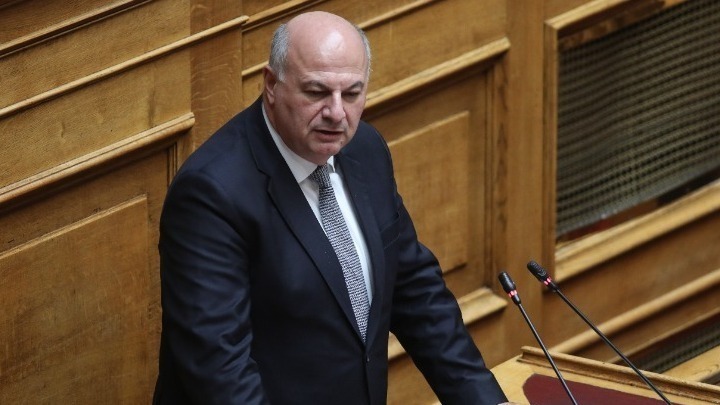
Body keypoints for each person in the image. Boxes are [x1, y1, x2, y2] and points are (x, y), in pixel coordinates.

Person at [153, 11, 508, 405]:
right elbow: (221, 373)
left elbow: (413, 290)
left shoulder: (365, 149)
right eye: (317, 92)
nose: (337, 113)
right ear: (271, 84)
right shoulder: (211, 195)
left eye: (352, 94)